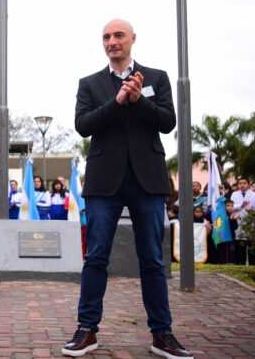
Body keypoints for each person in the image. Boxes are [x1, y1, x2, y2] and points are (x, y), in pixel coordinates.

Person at [64, 19, 191, 359]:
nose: (112, 41)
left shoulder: (156, 78)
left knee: (152, 259)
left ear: (133, 38)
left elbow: (168, 122)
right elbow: (83, 125)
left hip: (147, 180)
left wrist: (139, 100)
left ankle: (162, 334)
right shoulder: (89, 83)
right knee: (96, 256)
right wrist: (118, 101)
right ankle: (87, 330)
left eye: (118, 35)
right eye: (106, 37)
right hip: (103, 181)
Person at [229, 177, 255, 265]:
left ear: (248, 184)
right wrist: (241, 206)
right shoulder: (234, 194)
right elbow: (231, 207)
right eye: (240, 183)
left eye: (244, 183)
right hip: (238, 223)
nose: (242, 185)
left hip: (250, 223)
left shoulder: (254, 195)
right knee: (240, 248)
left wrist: (252, 211)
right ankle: (240, 265)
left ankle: (253, 266)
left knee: (251, 248)